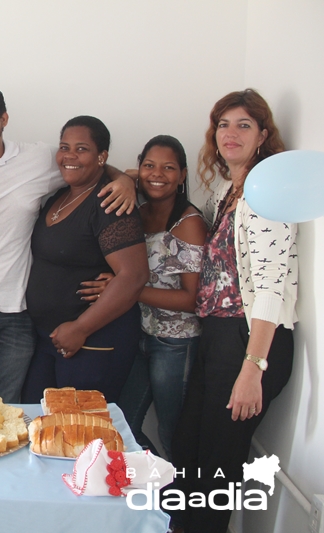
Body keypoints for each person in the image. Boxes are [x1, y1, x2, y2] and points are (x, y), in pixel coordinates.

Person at [0, 80, 137, 403]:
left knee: (5, 418)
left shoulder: (38, 159)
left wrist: (124, 180)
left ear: (4, 118)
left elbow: (84, 164)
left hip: (15, 318)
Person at [169, 89, 297, 533]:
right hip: (219, 337)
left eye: (244, 124)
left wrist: (252, 368)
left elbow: (270, 289)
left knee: (216, 471)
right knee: (188, 456)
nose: (231, 133)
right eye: (223, 123)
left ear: (263, 134)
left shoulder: (267, 195)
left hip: (252, 342)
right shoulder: (228, 189)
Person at [20, 116, 148, 404]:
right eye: (64, 147)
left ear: (102, 156)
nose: (70, 156)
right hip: (49, 338)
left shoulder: (111, 203)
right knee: (38, 423)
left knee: (83, 435)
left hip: (92, 341)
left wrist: (81, 328)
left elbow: (134, 275)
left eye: (82, 149)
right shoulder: (59, 195)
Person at [116, 135, 207, 461]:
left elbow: (192, 299)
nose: (158, 174)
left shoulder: (189, 224)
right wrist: (128, 179)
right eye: (149, 166)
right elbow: (122, 173)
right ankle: (154, 487)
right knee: (121, 424)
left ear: (183, 175)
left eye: (169, 168)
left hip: (176, 343)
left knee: (173, 432)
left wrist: (124, 287)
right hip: (141, 336)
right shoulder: (138, 210)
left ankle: (180, 507)